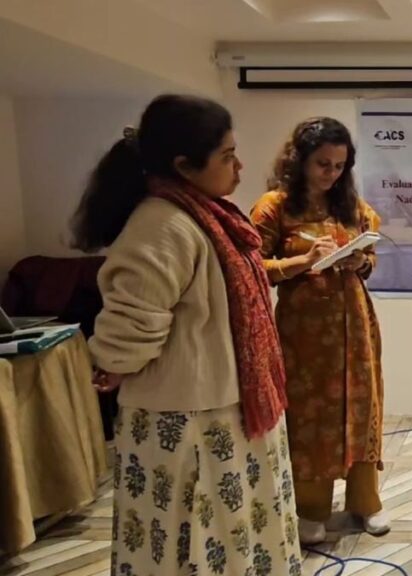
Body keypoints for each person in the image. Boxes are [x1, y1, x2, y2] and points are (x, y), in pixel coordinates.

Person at [72, 94, 302, 575]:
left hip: (225, 411)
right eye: (227, 156)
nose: (239, 167)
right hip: (185, 421)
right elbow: (133, 319)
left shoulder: (205, 215)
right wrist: (114, 364)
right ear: (183, 165)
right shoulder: (162, 225)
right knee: (194, 541)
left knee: (233, 536)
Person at [250, 117, 388, 544]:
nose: (331, 174)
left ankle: (365, 503)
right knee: (309, 416)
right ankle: (311, 508)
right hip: (303, 333)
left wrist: (359, 261)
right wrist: (303, 261)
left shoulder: (351, 206)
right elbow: (252, 268)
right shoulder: (274, 206)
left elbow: (371, 254)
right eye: (323, 164)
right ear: (300, 160)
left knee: (362, 410)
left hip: (355, 327)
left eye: (339, 166)